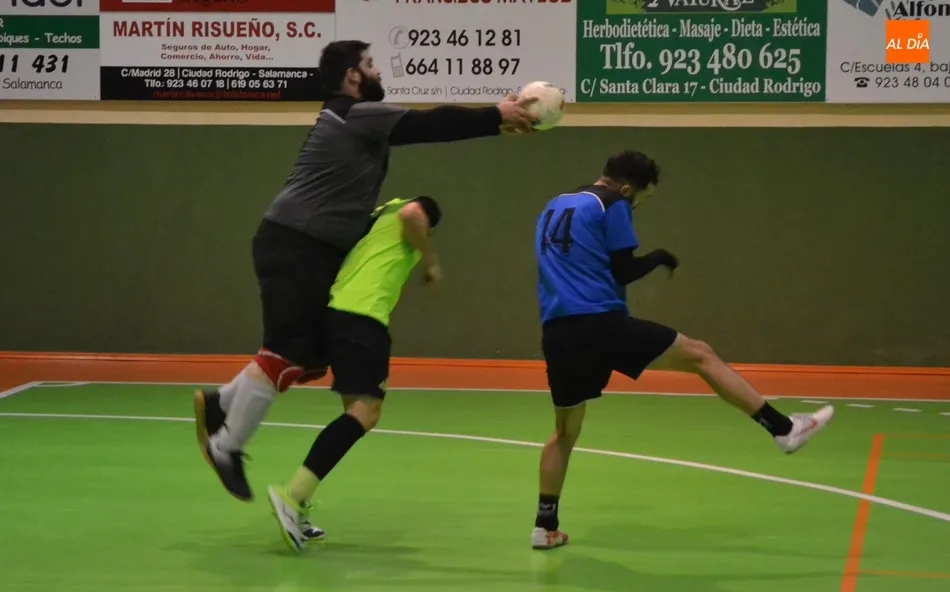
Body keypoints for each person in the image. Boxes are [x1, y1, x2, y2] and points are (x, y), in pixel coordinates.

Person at [191, 40, 537, 506]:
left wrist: (496, 122)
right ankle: (225, 446)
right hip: (296, 244)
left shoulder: (350, 119)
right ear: (353, 76)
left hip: (305, 246)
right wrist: (496, 115)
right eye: (371, 64)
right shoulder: (353, 114)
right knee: (286, 354)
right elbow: (429, 124)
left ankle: (222, 403)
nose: (378, 72)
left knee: (308, 357)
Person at [529, 149, 835, 550]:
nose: (638, 206)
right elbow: (622, 270)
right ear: (627, 189)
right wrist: (658, 257)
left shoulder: (556, 205)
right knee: (701, 356)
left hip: (556, 330)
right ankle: (784, 429)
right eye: (642, 199)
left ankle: (544, 527)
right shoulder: (614, 203)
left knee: (565, 432)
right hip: (600, 322)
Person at [262, 195, 443, 553]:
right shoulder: (406, 213)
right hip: (363, 318)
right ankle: (291, 495)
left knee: (354, 414)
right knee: (366, 412)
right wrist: (431, 260)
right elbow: (413, 213)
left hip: (339, 314)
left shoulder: (378, 217)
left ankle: (299, 501)